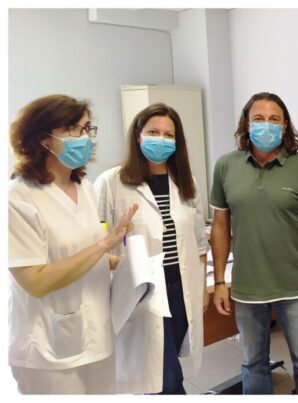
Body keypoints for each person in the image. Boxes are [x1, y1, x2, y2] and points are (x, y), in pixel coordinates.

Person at [8, 94, 137, 394]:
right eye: (73, 129)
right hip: (46, 347)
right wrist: (105, 244)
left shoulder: (85, 188)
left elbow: (81, 252)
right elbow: (36, 281)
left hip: (97, 333)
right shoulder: (18, 198)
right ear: (43, 138)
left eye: (87, 128)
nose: (84, 137)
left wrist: (121, 264)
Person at [210, 92, 298, 394]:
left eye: (274, 119)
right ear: (246, 124)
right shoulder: (226, 166)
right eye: (258, 119)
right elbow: (220, 226)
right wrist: (220, 281)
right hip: (248, 287)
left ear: (285, 126)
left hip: (297, 287)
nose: (266, 125)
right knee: (253, 363)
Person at [94, 103, 209, 394]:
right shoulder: (111, 182)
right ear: (138, 135)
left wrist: (202, 287)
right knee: (165, 378)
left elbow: (198, 241)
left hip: (179, 288)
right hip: (141, 291)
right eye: (154, 132)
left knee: (165, 367)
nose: (161, 140)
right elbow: (96, 244)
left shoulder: (186, 182)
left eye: (169, 135)